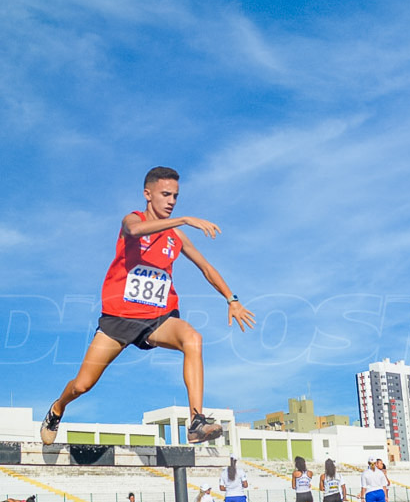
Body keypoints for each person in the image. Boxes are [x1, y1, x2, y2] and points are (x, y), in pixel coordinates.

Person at [40, 166, 256, 446]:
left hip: (158, 319)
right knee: (82, 385)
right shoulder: (133, 219)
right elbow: (135, 229)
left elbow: (205, 267)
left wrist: (232, 299)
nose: (171, 201)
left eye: (175, 196)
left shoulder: (176, 236)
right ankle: (58, 408)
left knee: (193, 338)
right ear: (147, 194)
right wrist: (185, 219)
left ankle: (196, 421)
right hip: (118, 318)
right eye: (165, 194)